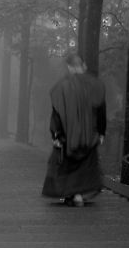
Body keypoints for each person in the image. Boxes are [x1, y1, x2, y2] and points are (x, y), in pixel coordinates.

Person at [42, 54, 106, 207]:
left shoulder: (62, 86)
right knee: (86, 164)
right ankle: (79, 194)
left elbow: (57, 112)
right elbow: (100, 109)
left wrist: (55, 133)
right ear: (83, 66)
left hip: (68, 134)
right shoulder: (95, 85)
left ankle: (73, 194)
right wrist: (102, 131)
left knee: (66, 164)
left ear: (70, 67)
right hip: (89, 134)